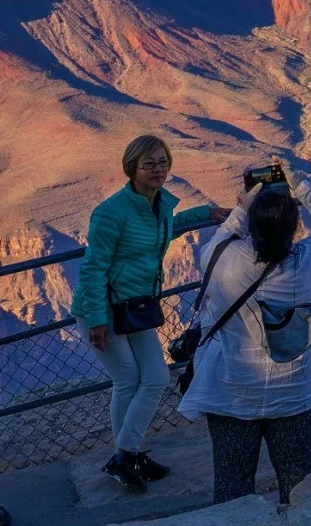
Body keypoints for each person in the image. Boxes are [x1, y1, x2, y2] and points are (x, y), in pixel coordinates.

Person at [180, 157, 311, 504]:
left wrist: (245, 202)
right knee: (300, 480)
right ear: (295, 225)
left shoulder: (220, 257)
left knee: (232, 484)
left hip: (232, 389)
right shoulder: (308, 260)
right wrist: (300, 184)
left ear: (251, 224)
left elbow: (228, 231)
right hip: (294, 389)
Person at [74, 134, 225, 494]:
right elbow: (93, 268)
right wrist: (96, 319)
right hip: (104, 309)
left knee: (155, 377)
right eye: (149, 164)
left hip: (136, 306)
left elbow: (165, 231)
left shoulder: (158, 204)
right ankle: (128, 456)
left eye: (162, 162)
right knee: (127, 379)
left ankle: (126, 456)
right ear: (132, 168)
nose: (158, 170)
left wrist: (207, 213)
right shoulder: (111, 212)